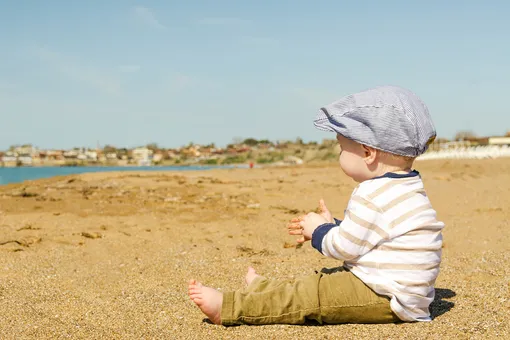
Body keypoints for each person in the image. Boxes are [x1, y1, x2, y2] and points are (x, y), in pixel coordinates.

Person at [188, 85, 445, 325]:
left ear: (368, 153)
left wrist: (318, 232)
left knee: (312, 295)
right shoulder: (407, 186)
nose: (339, 154)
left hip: (386, 296)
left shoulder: (371, 193)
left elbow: (345, 248)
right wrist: (333, 225)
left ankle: (230, 307)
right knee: (321, 280)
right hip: (403, 292)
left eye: (342, 148)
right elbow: (373, 236)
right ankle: (264, 289)